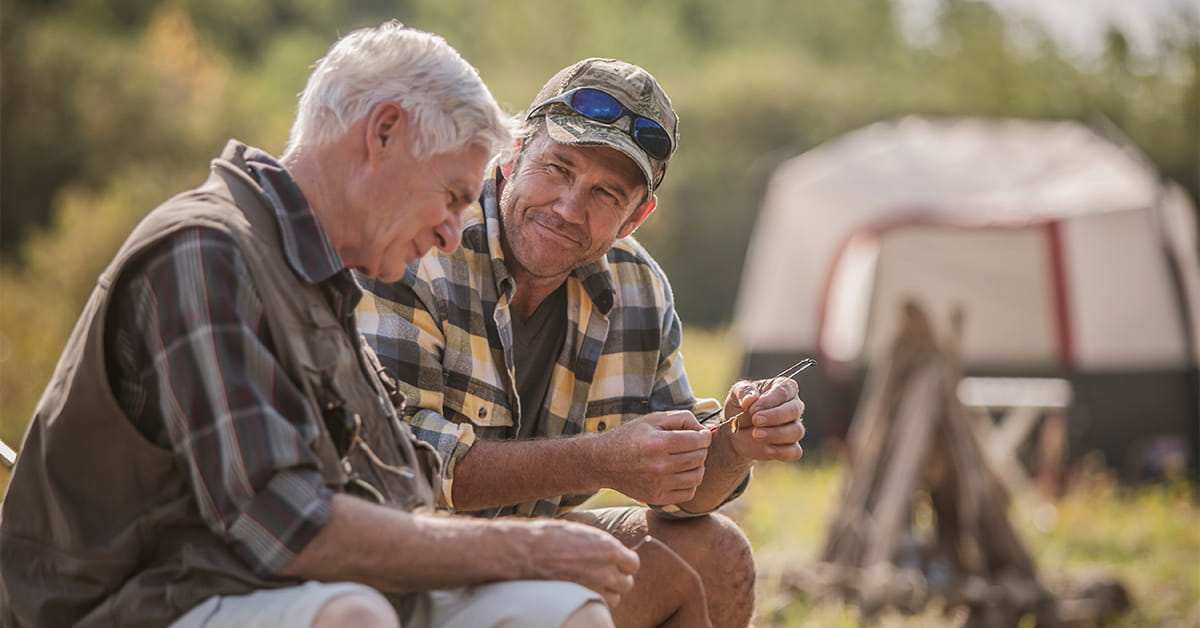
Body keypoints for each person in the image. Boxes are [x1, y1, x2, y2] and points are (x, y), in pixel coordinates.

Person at [0, 24, 639, 628]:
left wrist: (536, 561)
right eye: (449, 195)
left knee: (558, 608)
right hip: (130, 603)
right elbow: (288, 525)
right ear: (383, 132)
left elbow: (402, 490)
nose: (451, 234)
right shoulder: (204, 251)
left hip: (280, 588)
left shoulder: (315, 275)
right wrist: (528, 548)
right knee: (351, 617)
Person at [358, 57, 807, 628]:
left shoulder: (638, 289)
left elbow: (679, 491)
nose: (569, 209)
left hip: (525, 553)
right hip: (390, 557)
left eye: (605, 194)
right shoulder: (423, 241)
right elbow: (402, 468)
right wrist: (598, 460)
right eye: (558, 169)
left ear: (635, 217)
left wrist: (734, 443)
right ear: (514, 153)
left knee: (714, 555)